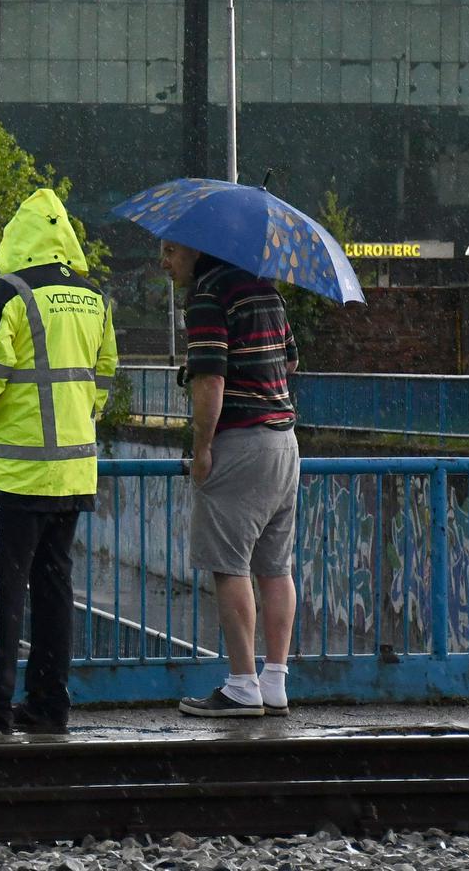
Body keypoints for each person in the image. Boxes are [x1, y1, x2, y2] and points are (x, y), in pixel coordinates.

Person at [0, 188, 118, 734]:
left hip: (12, 475)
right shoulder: (93, 299)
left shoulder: (7, 294)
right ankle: (50, 703)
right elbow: (103, 376)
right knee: (54, 591)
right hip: (72, 472)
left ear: (16, 238)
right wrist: (83, 418)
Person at [160, 239, 300, 719]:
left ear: (199, 251)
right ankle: (275, 682)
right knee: (275, 568)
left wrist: (202, 448)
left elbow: (211, 380)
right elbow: (290, 361)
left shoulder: (207, 295)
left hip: (239, 443)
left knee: (230, 566)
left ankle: (242, 684)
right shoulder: (264, 289)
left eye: (171, 251)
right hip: (283, 442)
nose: (164, 262)